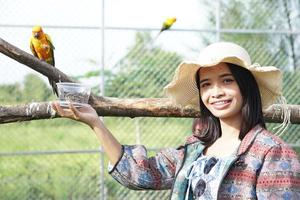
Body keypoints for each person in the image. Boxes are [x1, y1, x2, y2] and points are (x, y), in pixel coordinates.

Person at [52, 42, 300, 199]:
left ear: (246, 87)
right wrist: (96, 123)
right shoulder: (195, 149)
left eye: (227, 81)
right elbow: (141, 174)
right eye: (206, 84)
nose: (216, 92)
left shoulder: (272, 153)